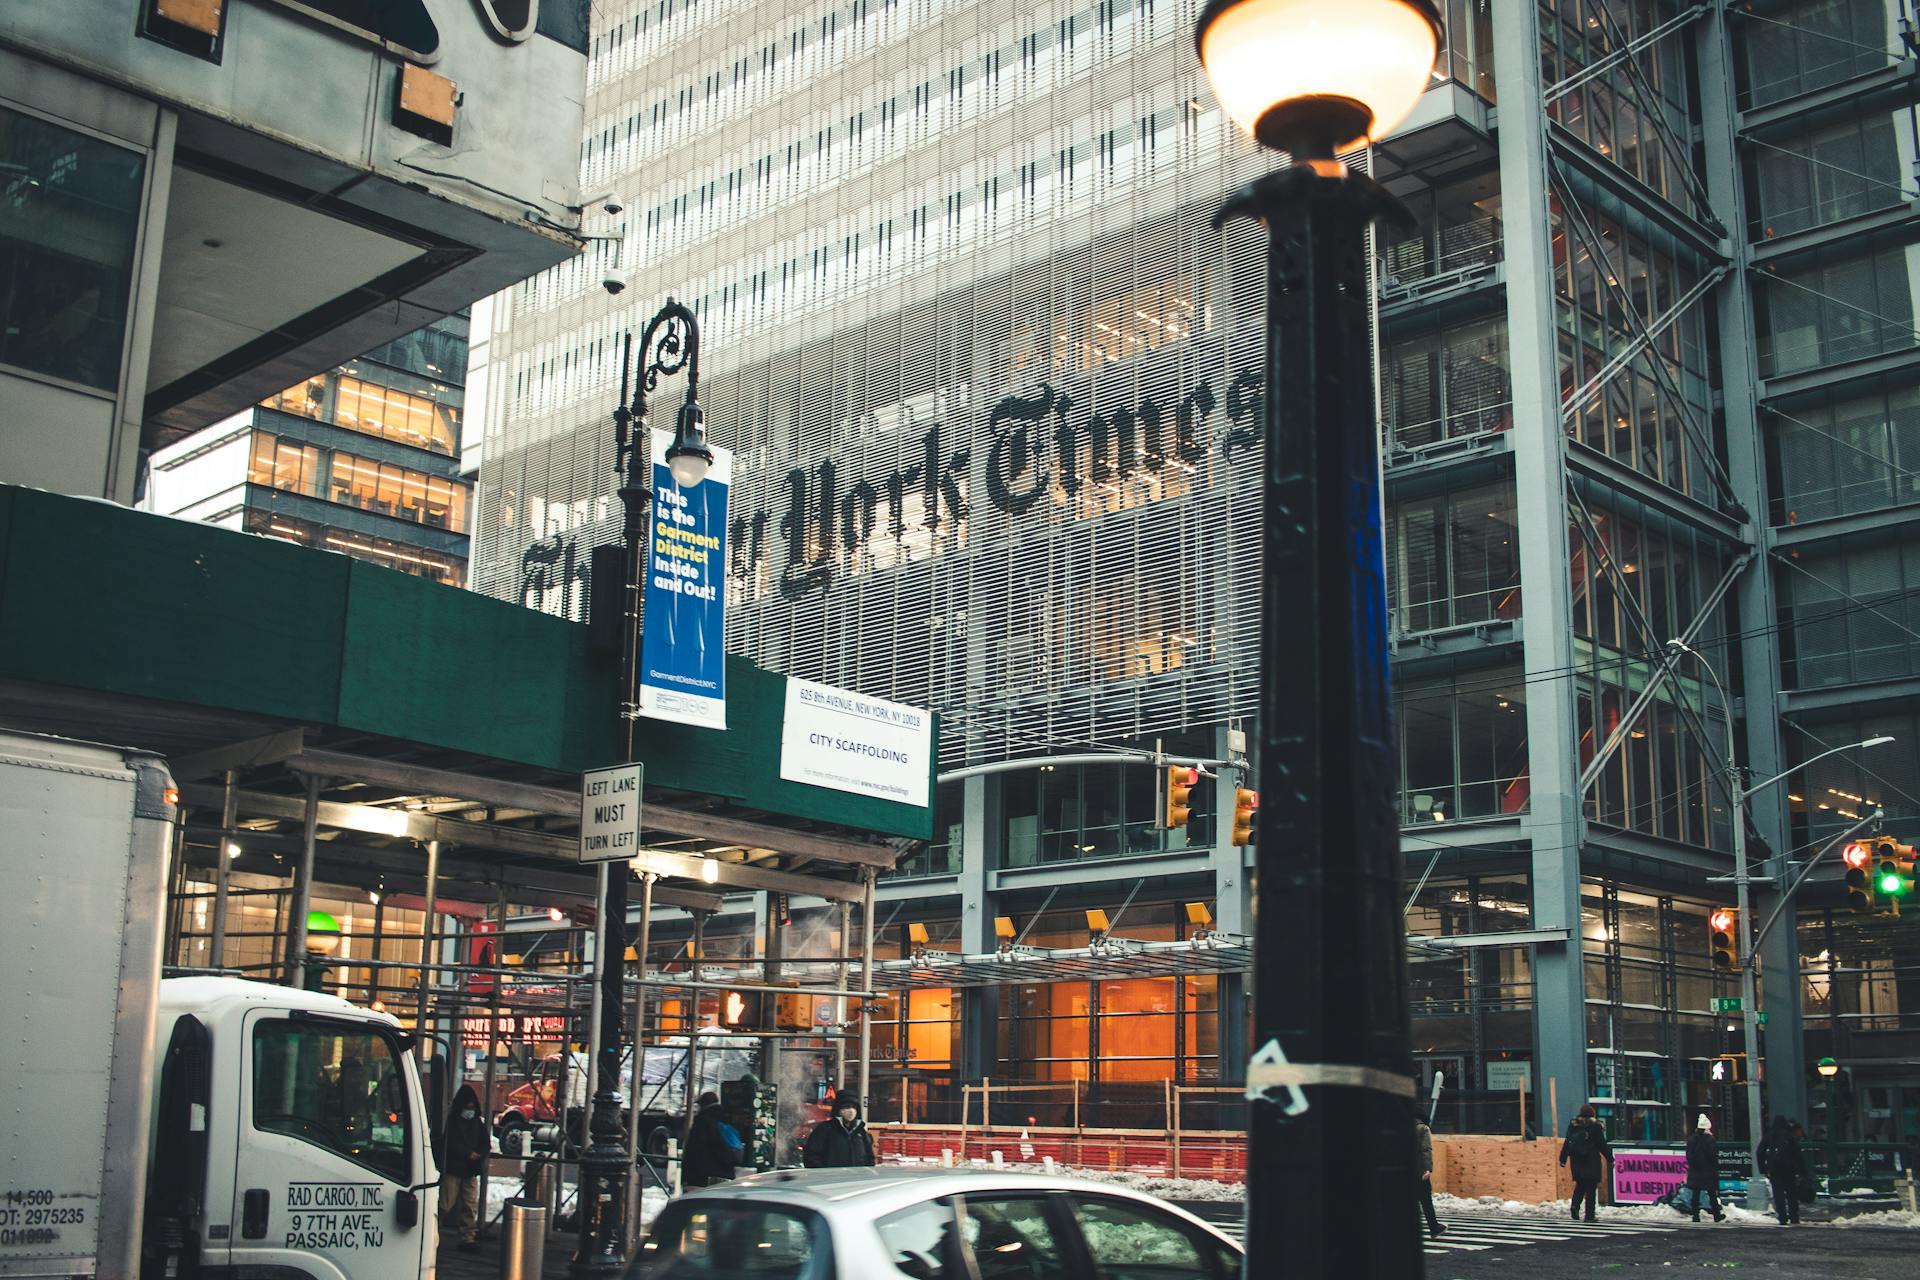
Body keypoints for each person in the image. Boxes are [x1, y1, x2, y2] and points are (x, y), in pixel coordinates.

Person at [437, 1083, 489, 1249]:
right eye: (468, 1107)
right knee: (451, 1204)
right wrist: (472, 1154)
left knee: (462, 1204)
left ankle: (465, 1236)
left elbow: (452, 1143)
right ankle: (466, 1237)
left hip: (461, 1168)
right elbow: (483, 1143)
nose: (470, 1110)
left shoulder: (455, 1122)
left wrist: (474, 1153)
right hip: (464, 1168)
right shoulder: (473, 1123)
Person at [1559, 1104, 1612, 1222]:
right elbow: (1601, 1144)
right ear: (1592, 1114)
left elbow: (1567, 1142)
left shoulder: (1573, 1125)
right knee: (1591, 1189)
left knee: (1580, 1186)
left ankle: (1575, 1206)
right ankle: (1589, 1216)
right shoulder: (1595, 1126)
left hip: (1577, 1162)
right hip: (1591, 1161)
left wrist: (1562, 1159)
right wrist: (1610, 1159)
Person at [682, 1092, 744, 1188]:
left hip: (704, 1176)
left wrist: (686, 1176)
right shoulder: (728, 1117)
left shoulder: (702, 1122)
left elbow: (694, 1150)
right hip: (726, 1174)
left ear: (703, 1104)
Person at [1757, 1115, 1810, 1225]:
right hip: (1789, 1169)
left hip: (1774, 1170)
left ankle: (1782, 1217)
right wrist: (1802, 1171)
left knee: (1778, 1194)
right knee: (1791, 1194)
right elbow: (1798, 1155)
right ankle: (1794, 1217)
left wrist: (1763, 1169)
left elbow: (1759, 1152)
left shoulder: (1769, 1136)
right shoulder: (1789, 1136)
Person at [800, 1090, 875, 1168]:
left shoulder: (861, 1132)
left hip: (857, 1179)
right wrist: (825, 1175)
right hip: (833, 1179)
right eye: (847, 1107)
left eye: (854, 1107)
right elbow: (811, 1157)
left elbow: (870, 1158)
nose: (851, 1110)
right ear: (838, 1109)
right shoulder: (824, 1130)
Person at [1686, 1114, 1726, 1222]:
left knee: (1696, 1193)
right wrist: (1715, 1166)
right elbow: (1713, 1156)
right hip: (1708, 1171)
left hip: (1695, 1170)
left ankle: (1695, 1215)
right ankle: (1716, 1215)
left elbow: (1688, 1155)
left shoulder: (1691, 1139)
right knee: (1712, 1194)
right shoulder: (1710, 1140)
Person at [1414, 1117, 1446, 1239]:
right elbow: (1426, 1149)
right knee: (1426, 1200)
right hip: (1419, 1171)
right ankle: (1434, 1228)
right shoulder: (1422, 1128)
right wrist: (1427, 1168)